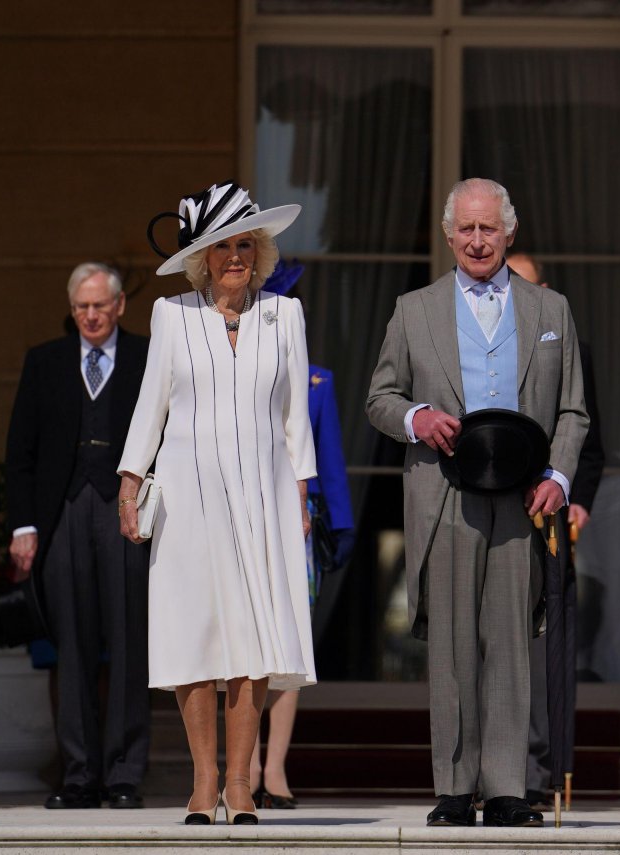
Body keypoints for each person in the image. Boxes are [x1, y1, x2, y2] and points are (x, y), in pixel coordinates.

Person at [366, 178, 588, 828]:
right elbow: (379, 397)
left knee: (513, 643)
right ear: (448, 234)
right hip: (446, 494)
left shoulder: (551, 311)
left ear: (509, 232)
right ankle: (455, 787)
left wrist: (561, 478)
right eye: (466, 228)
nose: (477, 240)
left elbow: (574, 409)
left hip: (523, 498)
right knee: (454, 647)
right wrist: (417, 418)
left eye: (488, 228)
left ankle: (510, 788)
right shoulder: (415, 309)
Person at [118, 182, 317, 826]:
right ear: (201, 259)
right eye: (222, 247)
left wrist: (302, 495)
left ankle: (240, 784)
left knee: (255, 638)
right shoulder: (173, 315)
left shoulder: (284, 316)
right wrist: (130, 480)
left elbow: (294, 420)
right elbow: (152, 403)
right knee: (194, 633)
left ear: (259, 252)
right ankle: (203, 780)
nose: (235, 256)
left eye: (244, 244)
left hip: (264, 497)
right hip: (186, 495)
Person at [5, 262, 151, 810]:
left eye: (99, 305)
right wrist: (24, 525)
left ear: (118, 307)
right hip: (62, 514)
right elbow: (20, 452)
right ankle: (78, 774)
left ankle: (124, 775)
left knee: (128, 645)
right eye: (81, 307)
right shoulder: (44, 362)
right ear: (72, 310)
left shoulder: (146, 356)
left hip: (126, 513)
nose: (90, 315)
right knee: (73, 648)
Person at [251, 261, 356, 810]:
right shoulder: (236, 369)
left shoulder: (319, 381)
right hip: (245, 518)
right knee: (245, 645)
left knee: (291, 648)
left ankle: (274, 770)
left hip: (299, 523)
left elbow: (330, 461)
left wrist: (340, 525)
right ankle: (242, 765)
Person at [506, 251, 605, 808]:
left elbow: (593, 445)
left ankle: (540, 772)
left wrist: (578, 501)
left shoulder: (574, 352)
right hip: (492, 517)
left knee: (547, 651)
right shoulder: (481, 353)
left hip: (549, 517)